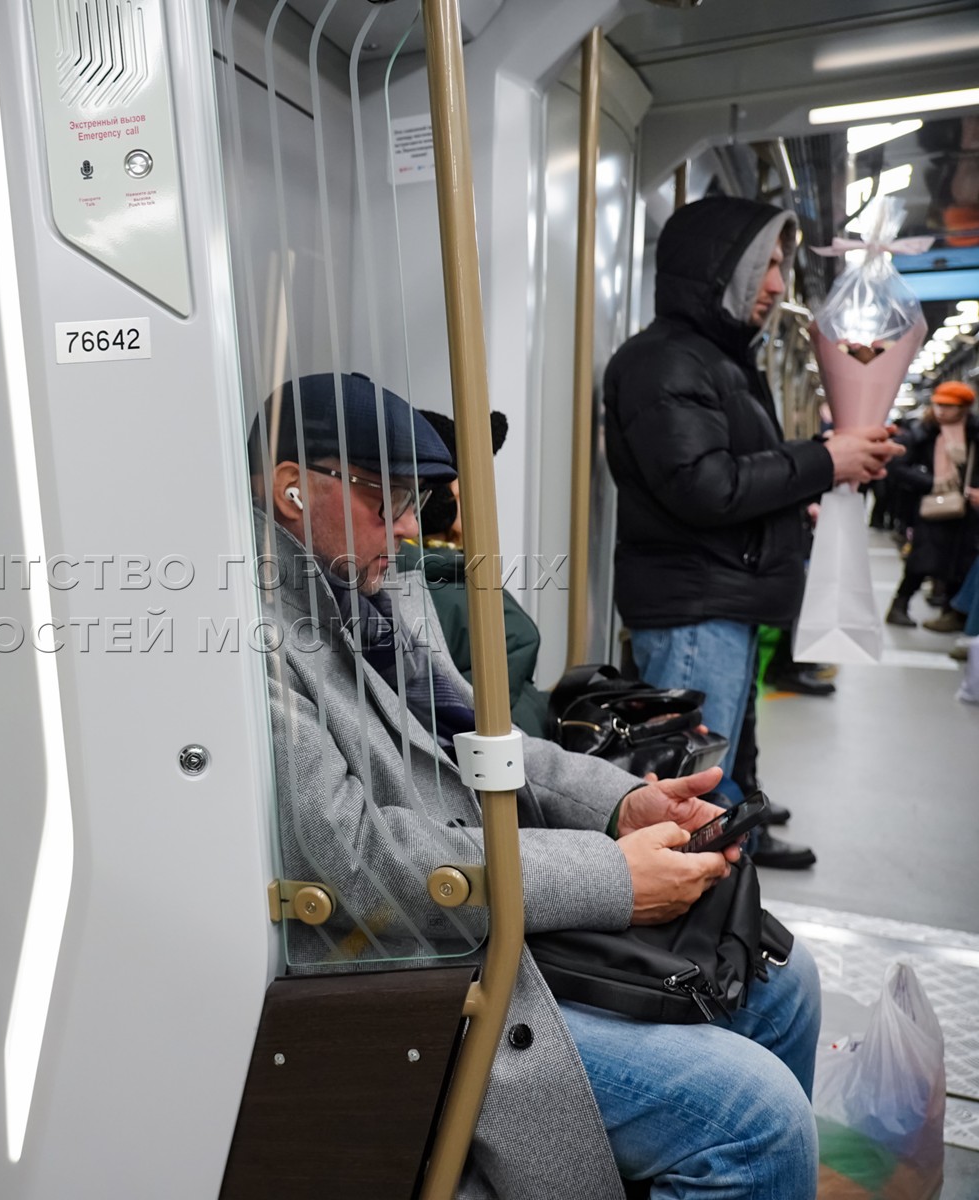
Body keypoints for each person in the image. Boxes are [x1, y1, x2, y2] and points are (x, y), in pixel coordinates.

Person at [254, 373, 821, 1199]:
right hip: (412, 970)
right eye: (390, 500)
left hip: (488, 916)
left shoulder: (372, 584)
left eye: (416, 501)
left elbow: (486, 741)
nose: (411, 528)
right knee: (757, 1118)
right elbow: (357, 862)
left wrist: (618, 803)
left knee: (787, 985)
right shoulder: (257, 640)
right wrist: (612, 879)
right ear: (293, 489)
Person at [602, 196, 902, 869]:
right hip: (693, 609)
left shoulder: (714, 358)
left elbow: (732, 475)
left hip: (718, 598)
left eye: (780, 265)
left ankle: (735, 864)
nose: (775, 283)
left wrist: (802, 498)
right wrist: (825, 460)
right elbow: (703, 487)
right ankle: (693, 917)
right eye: (762, 265)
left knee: (716, 769)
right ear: (715, 267)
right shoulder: (666, 362)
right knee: (689, 794)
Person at [405, 408, 555, 738]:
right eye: (462, 494)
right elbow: (518, 640)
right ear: (435, 501)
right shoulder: (439, 578)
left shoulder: (440, 568)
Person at [886, 381, 979, 630]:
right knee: (921, 559)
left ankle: (951, 612)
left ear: (963, 408)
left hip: (967, 510)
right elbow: (897, 466)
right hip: (932, 505)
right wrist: (931, 483)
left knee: (960, 561)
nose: (942, 411)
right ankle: (899, 605)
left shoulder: (974, 433)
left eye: (949, 406)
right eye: (939, 405)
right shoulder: (922, 433)